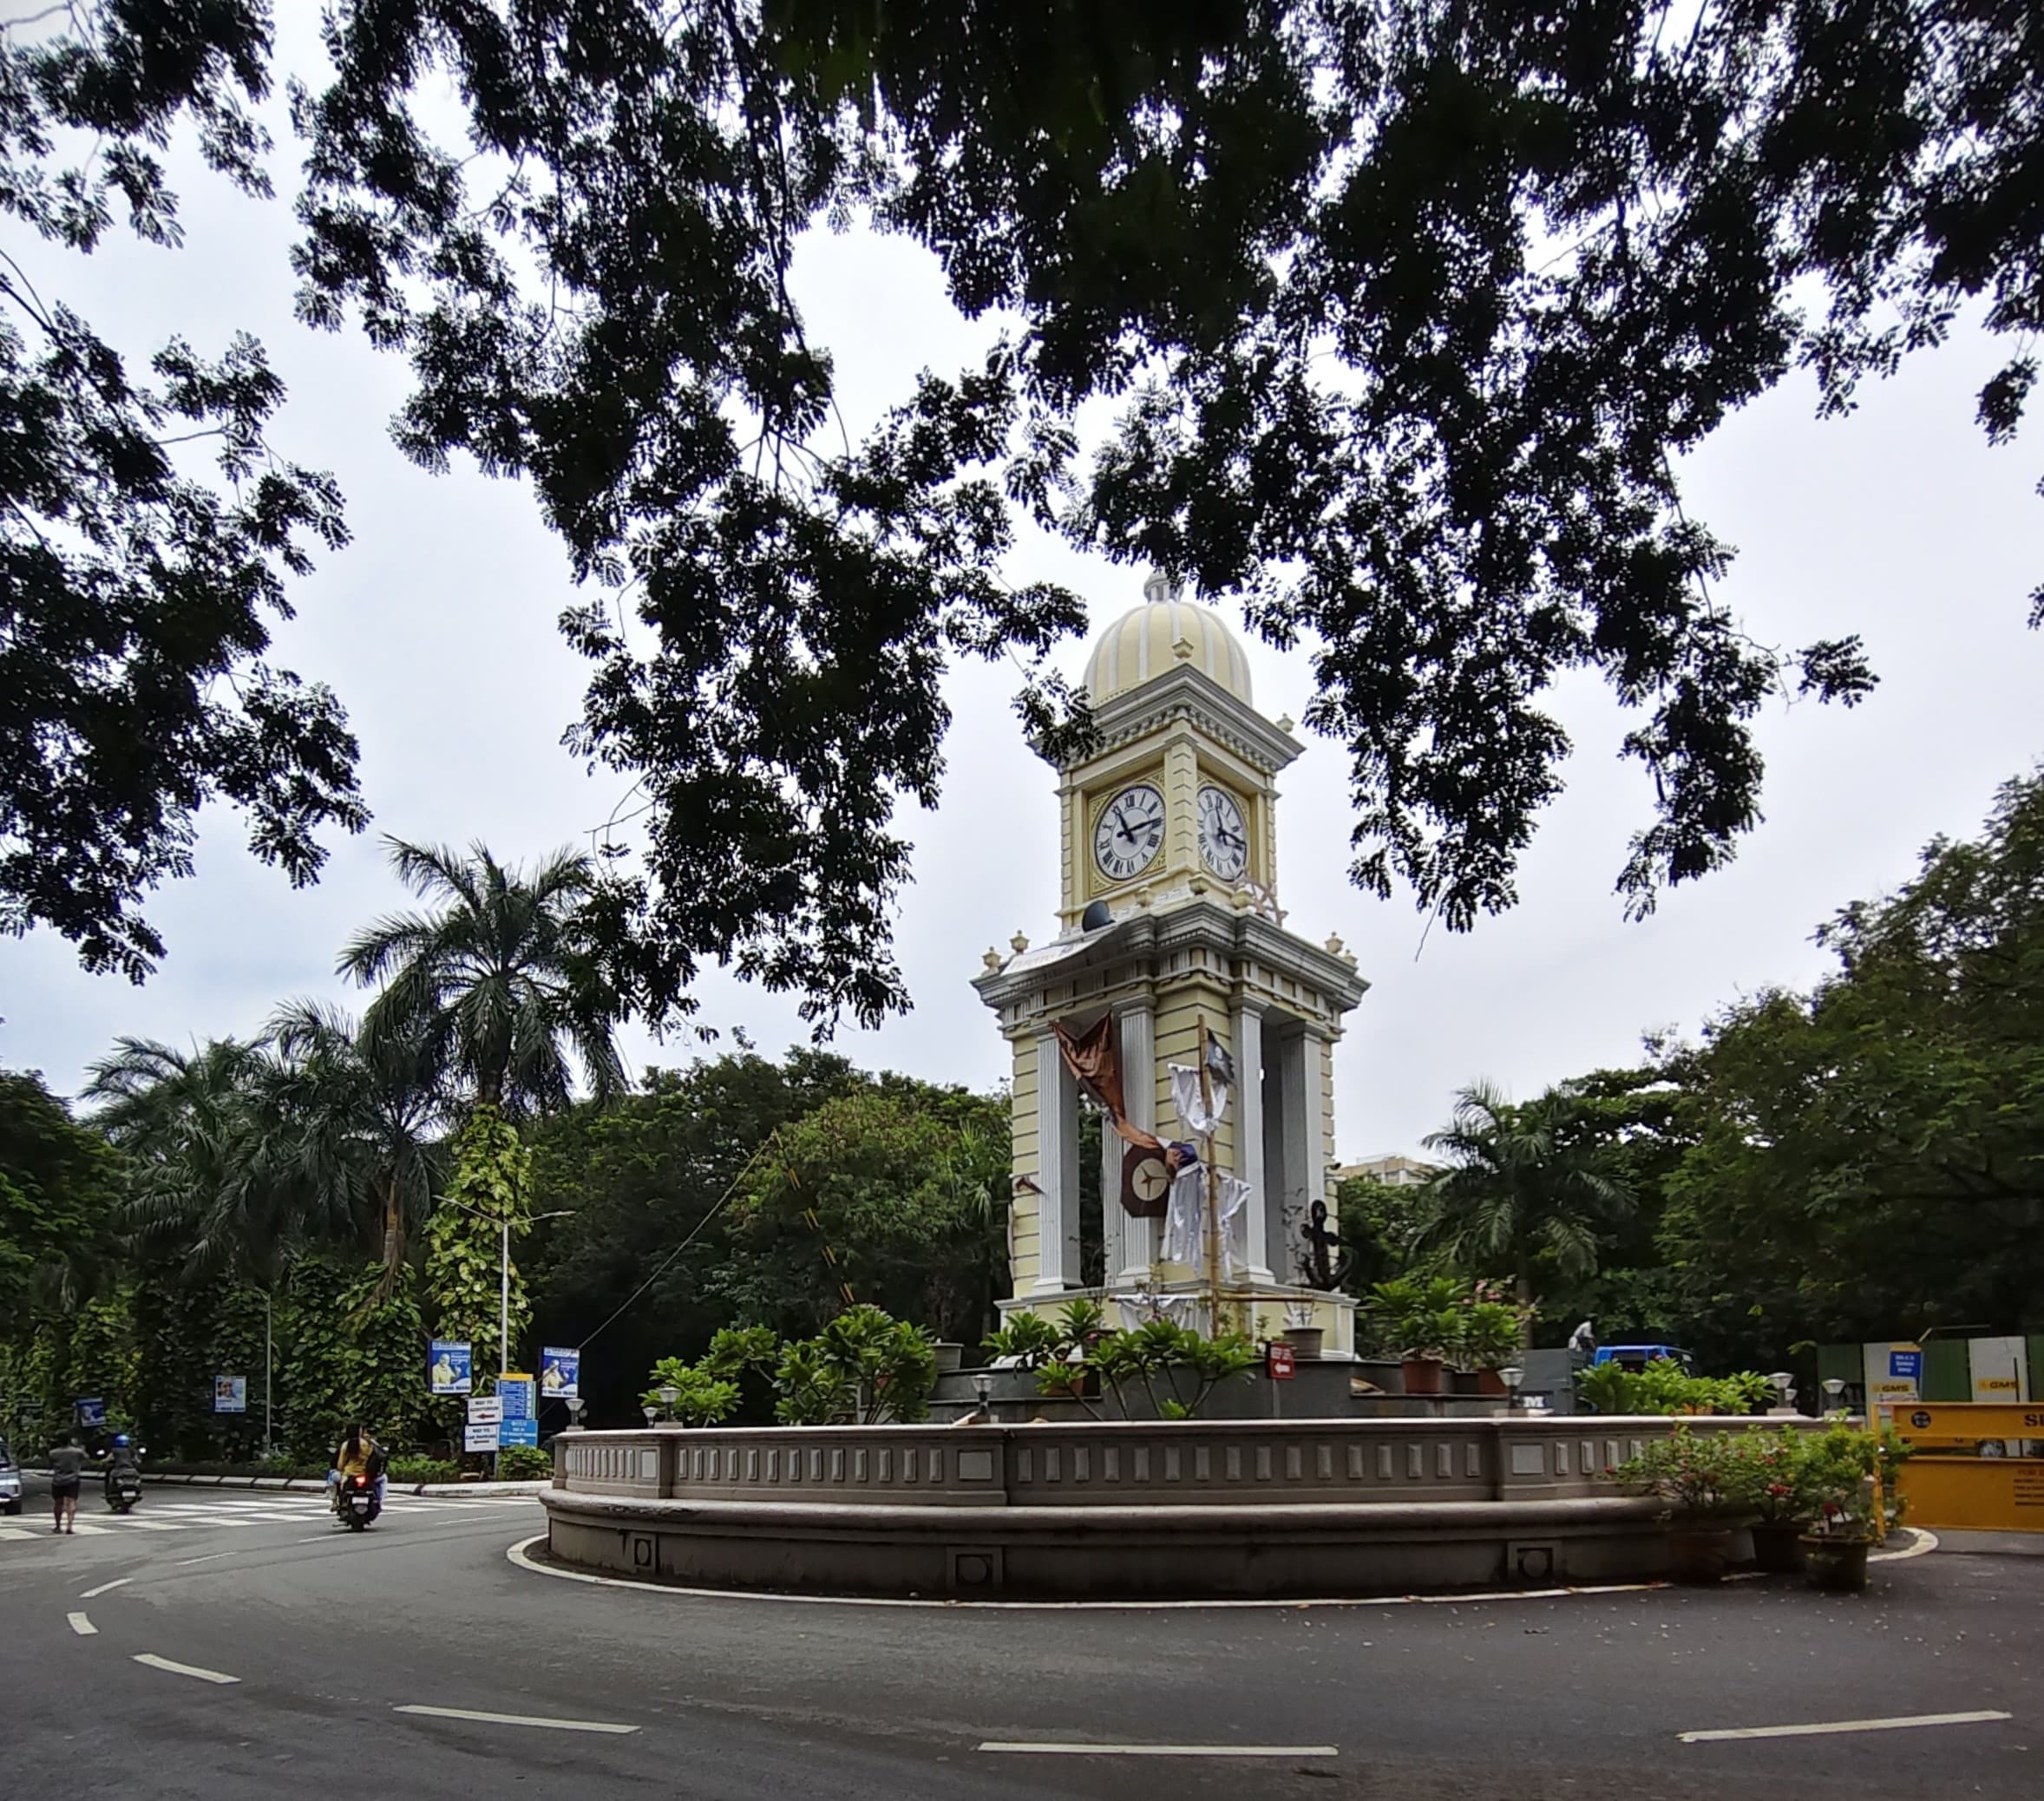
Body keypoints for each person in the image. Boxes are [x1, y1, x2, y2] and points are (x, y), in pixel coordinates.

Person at [329, 1424, 386, 1514]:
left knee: (331, 1476)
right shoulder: (368, 1444)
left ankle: (334, 1502)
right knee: (383, 1479)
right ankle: (379, 1501)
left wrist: (342, 1470)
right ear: (360, 1432)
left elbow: (340, 1464)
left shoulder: (345, 1445)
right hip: (366, 1473)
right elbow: (379, 1455)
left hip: (348, 1474)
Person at [47, 1431, 89, 1534]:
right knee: (71, 1503)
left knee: (58, 1503)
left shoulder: (53, 1453)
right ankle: (69, 1526)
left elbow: (50, 1464)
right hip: (72, 1480)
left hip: (58, 1480)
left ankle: (58, 1526)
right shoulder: (77, 1452)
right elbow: (86, 1457)